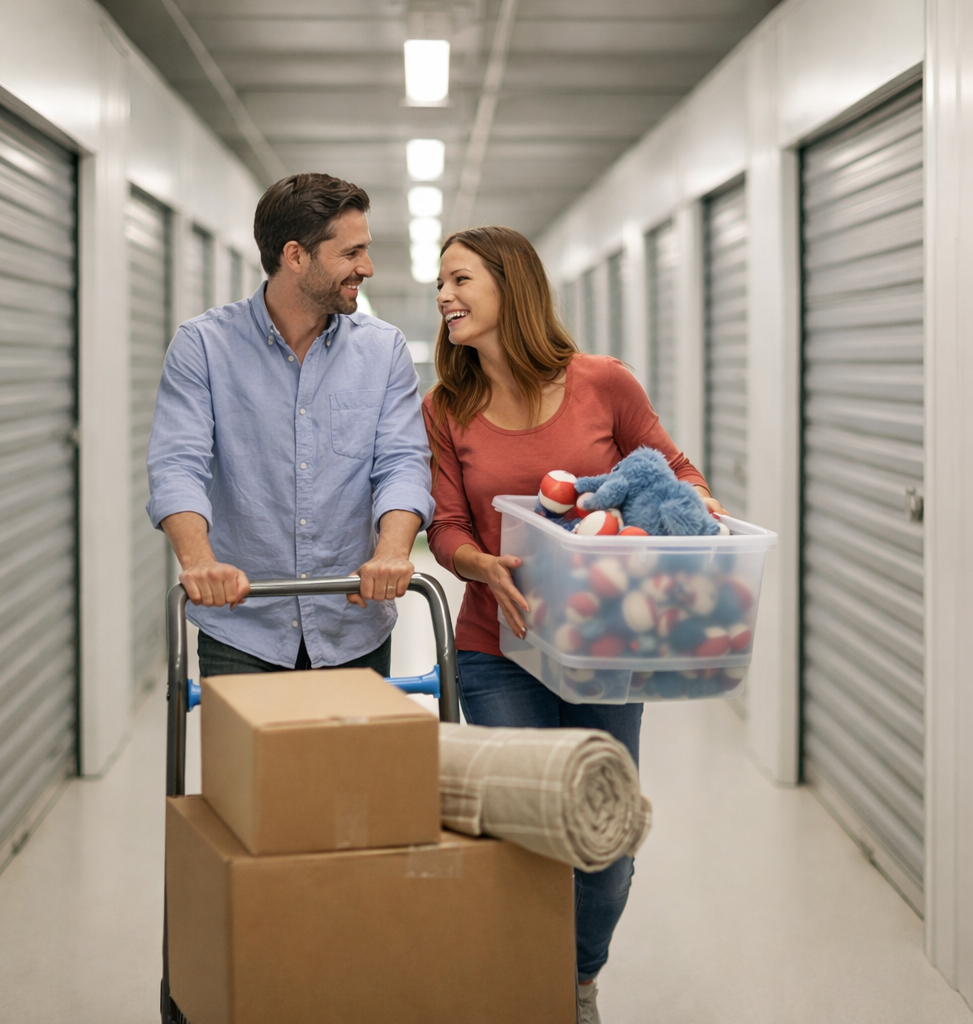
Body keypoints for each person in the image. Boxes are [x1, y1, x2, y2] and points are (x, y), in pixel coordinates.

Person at [422, 226, 724, 1024]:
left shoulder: (603, 383)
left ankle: (577, 980)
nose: (445, 296)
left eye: (459, 280)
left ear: (511, 284)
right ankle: (528, 991)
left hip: (604, 648)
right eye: (440, 285)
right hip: (498, 644)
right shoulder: (447, 407)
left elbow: (671, 469)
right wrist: (480, 564)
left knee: (604, 842)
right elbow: (445, 526)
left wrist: (698, 507)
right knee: (524, 836)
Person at [147, 173, 434, 679]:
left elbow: (402, 462)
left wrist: (391, 554)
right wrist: (199, 562)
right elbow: (177, 465)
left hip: (352, 624)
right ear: (296, 255)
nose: (366, 267)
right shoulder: (203, 346)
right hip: (242, 626)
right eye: (351, 253)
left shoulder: (383, 349)